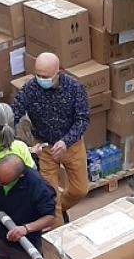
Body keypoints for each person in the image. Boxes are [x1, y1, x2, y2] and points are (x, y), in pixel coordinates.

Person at [12, 52, 90, 226]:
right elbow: (14, 115)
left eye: (45, 76)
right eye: (38, 75)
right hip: (44, 147)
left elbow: (82, 119)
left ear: (58, 72)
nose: (41, 79)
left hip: (71, 146)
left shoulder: (75, 88)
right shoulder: (29, 89)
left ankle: (59, 208)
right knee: (50, 197)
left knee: (80, 189)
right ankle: (57, 234)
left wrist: (66, 141)